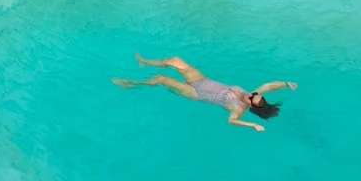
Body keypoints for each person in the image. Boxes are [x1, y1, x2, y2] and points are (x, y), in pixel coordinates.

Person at [114, 56, 294, 127]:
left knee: (162, 79)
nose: (252, 94)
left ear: (250, 105)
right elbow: (268, 86)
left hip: (196, 93)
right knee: (174, 60)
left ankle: (132, 83)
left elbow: (232, 121)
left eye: (253, 98)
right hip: (201, 81)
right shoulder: (250, 94)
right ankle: (144, 62)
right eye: (255, 95)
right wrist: (285, 83)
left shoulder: (238, 108)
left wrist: (253, 125)